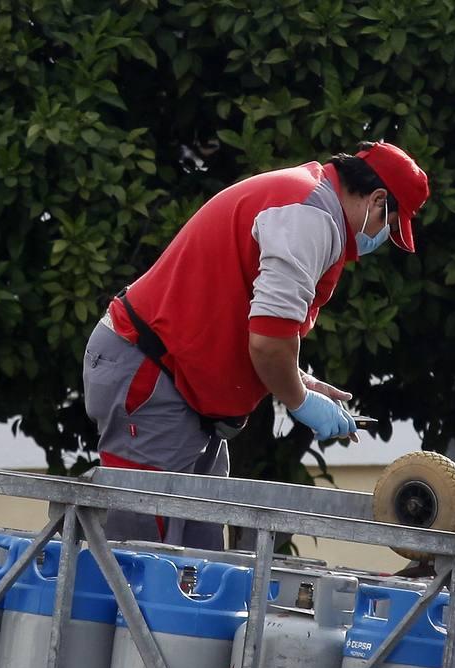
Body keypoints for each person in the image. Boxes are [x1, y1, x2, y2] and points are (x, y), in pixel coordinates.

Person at [82, 141, 429, 549]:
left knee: (198, 562)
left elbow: (246, 320)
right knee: (142, 563)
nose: (383, 239)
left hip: (177, 383)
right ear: (377, 200)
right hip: (151, 373)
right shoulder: (309, 217)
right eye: (390, 225)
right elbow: (267, 342)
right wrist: (298, 400)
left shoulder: (306, 199)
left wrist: (295, 380)